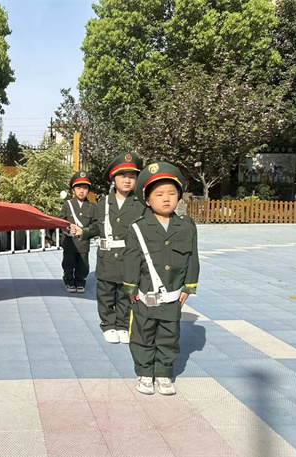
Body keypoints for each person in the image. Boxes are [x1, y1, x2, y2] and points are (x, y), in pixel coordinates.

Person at [122, 162, 199, 395]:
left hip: (172, 296)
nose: (166, 198)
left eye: (172, 193)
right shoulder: (138, 228)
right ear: (147, 200)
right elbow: (131, 259)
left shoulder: (186, 227)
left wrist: (189, 286)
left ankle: (164, 373)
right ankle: (145, 372)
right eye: (159, 194)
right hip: (144, 295)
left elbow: (192, 258)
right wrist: (130, 287)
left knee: (169, 335)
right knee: (142, 335)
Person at [88, 152, 145, 344]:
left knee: (125, 294)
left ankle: (122, 325)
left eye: (132, 176)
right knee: (105, 294)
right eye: (123, 176)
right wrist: (83, 231)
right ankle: (108, 325)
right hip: (107, 259)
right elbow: (96, 227)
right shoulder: (102, 204)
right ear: (113, 179)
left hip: (129, 258)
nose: (127, 180)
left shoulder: (140, 205)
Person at [59, 171, 98, 293]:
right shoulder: (68, 204)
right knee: (68, 262)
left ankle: (80, 281)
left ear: (89, 190)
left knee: (83, 264)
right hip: (69, 241)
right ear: (73, 190)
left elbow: (95, 224)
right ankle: (69, 280)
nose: (81, 191)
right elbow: (61, 219)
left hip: (83, 242)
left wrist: (85, 231)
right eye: (78, 188)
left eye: (85, 188)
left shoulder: (92, 207)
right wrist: (67, 227)